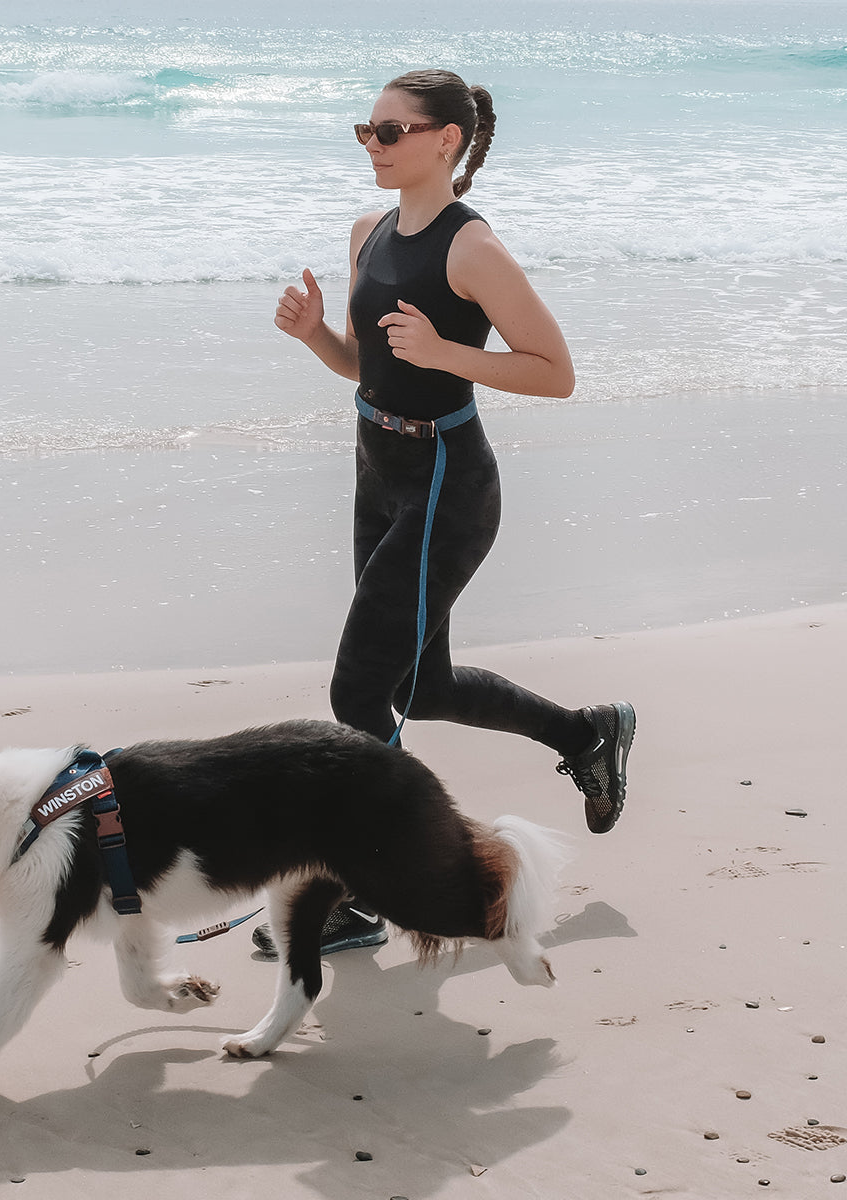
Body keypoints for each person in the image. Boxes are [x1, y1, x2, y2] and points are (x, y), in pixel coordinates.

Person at [254, 70, 635, 960]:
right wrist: (316, 334)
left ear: (445, 141)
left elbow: (554, 370)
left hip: (445, 484)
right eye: (366, 130)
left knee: (359, 690)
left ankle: (370, 887)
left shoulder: (472, 249)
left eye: (390, 131)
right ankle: (590, 733)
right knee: (418, 688)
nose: (373, 145)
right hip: (376, 470)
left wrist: (450, 351)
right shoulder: (369, 233)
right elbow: (369, 368)